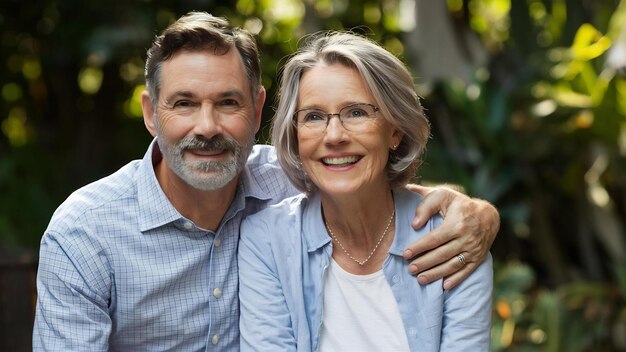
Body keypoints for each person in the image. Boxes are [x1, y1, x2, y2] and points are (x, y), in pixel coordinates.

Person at [33, 12, 497, 351]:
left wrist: (477, 213)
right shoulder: (86, 232)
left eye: (228, 103)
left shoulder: (294, 175)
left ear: (257, 110)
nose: (208, 126)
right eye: (184, 104)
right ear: (152, 114)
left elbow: (371, 181)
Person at [238, 31, 493, 351]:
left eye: (356, 112)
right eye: (314, 116)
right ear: (296, 134)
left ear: (396, 130)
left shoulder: (456, 238)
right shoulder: (265, 240)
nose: (334, 136)